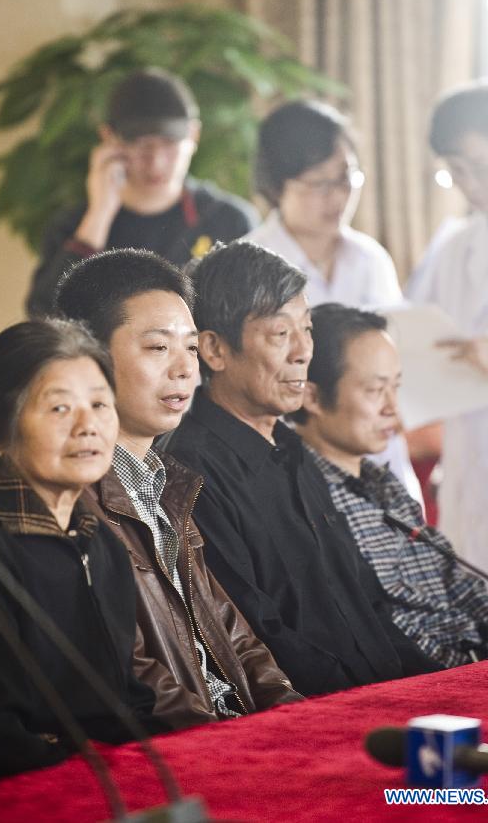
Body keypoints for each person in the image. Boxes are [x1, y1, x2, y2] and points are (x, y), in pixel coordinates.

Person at [161, 240, 438, 697]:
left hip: (381, 696)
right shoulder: (192, 470)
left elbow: (366, 604)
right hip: (316, 714)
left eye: (306, 330)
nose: (302, 352)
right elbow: (257, 635)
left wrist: (437, 683)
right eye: (279, 334)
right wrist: (371, 702)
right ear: (214, 349)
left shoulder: (294, 449)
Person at [55, 248, 301, 728]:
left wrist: (292, 714)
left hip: (234, 734)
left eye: (190, 347)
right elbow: (127, 672)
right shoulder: (68, 501)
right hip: (183, 751)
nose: (186, 369)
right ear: (89, 357)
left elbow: (238, 638)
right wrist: (228, 740)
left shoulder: (165, 482)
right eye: (157, 347)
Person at [0, 319, 161, 790]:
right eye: (60, 407)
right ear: (0, 431)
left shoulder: (99, 541)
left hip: (106, 777)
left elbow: (127, 702)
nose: (88, 426)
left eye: (100, 405)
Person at [291, 303, 488, 668]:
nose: (394, 407)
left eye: (397, 388)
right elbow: (387, 629)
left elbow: (462, 587)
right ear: (311, 396)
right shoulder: (304, 498)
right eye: (375, 391)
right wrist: (472, 674)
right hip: (431, 681)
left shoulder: (382, 482)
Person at [407, 83, 488, 637]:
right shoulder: (456, 245)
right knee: (483, 650)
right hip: (471, 467)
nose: (468, 185)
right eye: (455, 170)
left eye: (480, 167)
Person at [246, 97, 420, 501]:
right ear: (276, 186)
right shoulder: (248, 266)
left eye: (347, 178)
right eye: (319, 184)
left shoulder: (370, 258)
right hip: (291, 463)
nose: (338, 196)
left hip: (378, 458)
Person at [27, 68, 259, 316]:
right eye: (140, 145)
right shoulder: (73, 226)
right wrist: (99, 215)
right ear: (109, 138)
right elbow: (45, 319)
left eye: (169, 145)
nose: (156, 162)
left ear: (193, 135)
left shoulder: (227, 220)